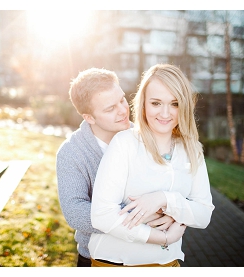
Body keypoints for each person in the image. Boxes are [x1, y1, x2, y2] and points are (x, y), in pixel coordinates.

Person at [89, 63, 214, 267]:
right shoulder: (124, 143)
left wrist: (165, 200)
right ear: (143, 104)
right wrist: (161, 237)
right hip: (115, 263)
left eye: (174, 103)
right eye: (156, 103)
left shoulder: (192, 149)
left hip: (169, 263)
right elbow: (101, 215)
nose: (165, 113)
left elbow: (204, 214)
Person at [56, 68, 177, 267]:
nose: (122, 110)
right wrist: (143, 214)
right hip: (99, 259)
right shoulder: (72, 153)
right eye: (110, 108)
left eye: (122, 100)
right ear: (89, 118)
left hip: (149, 257)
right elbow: (76, 212)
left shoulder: (146, 136)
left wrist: (175, 212)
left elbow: (172, 185)